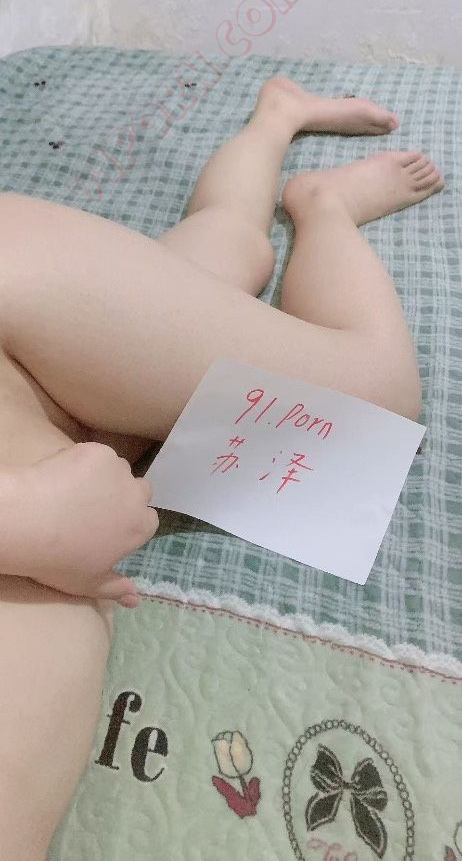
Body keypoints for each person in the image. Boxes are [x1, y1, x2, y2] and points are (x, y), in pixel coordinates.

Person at [0, 75, 443, 858]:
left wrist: (24, 518)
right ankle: (279, 113)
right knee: (229, 247)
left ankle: (322, 206)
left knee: (370, 409)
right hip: (52, 435)